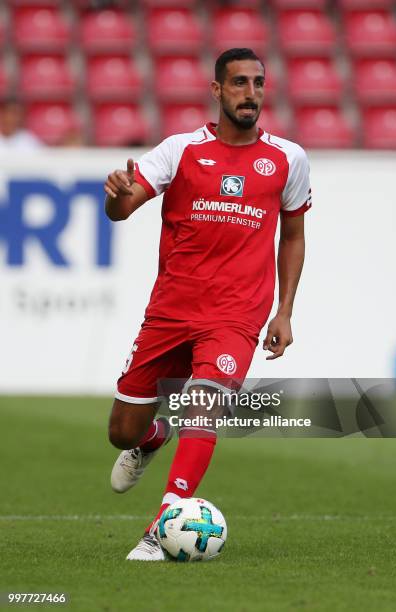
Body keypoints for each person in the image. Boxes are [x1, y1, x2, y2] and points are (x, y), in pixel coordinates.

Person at [104, 48, 312, 561]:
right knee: (121, 431)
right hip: (171, 310)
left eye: (258, 83)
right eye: (239, 83)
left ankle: (164, 525)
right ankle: (151, 439)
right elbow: (122, 209)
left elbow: (293, 236)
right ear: (217, 90)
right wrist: (115, 194)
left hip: (237, 314)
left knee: (204, 403)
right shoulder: (179, 150)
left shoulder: (289, 158)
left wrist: (284, 310)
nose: (251, 93)